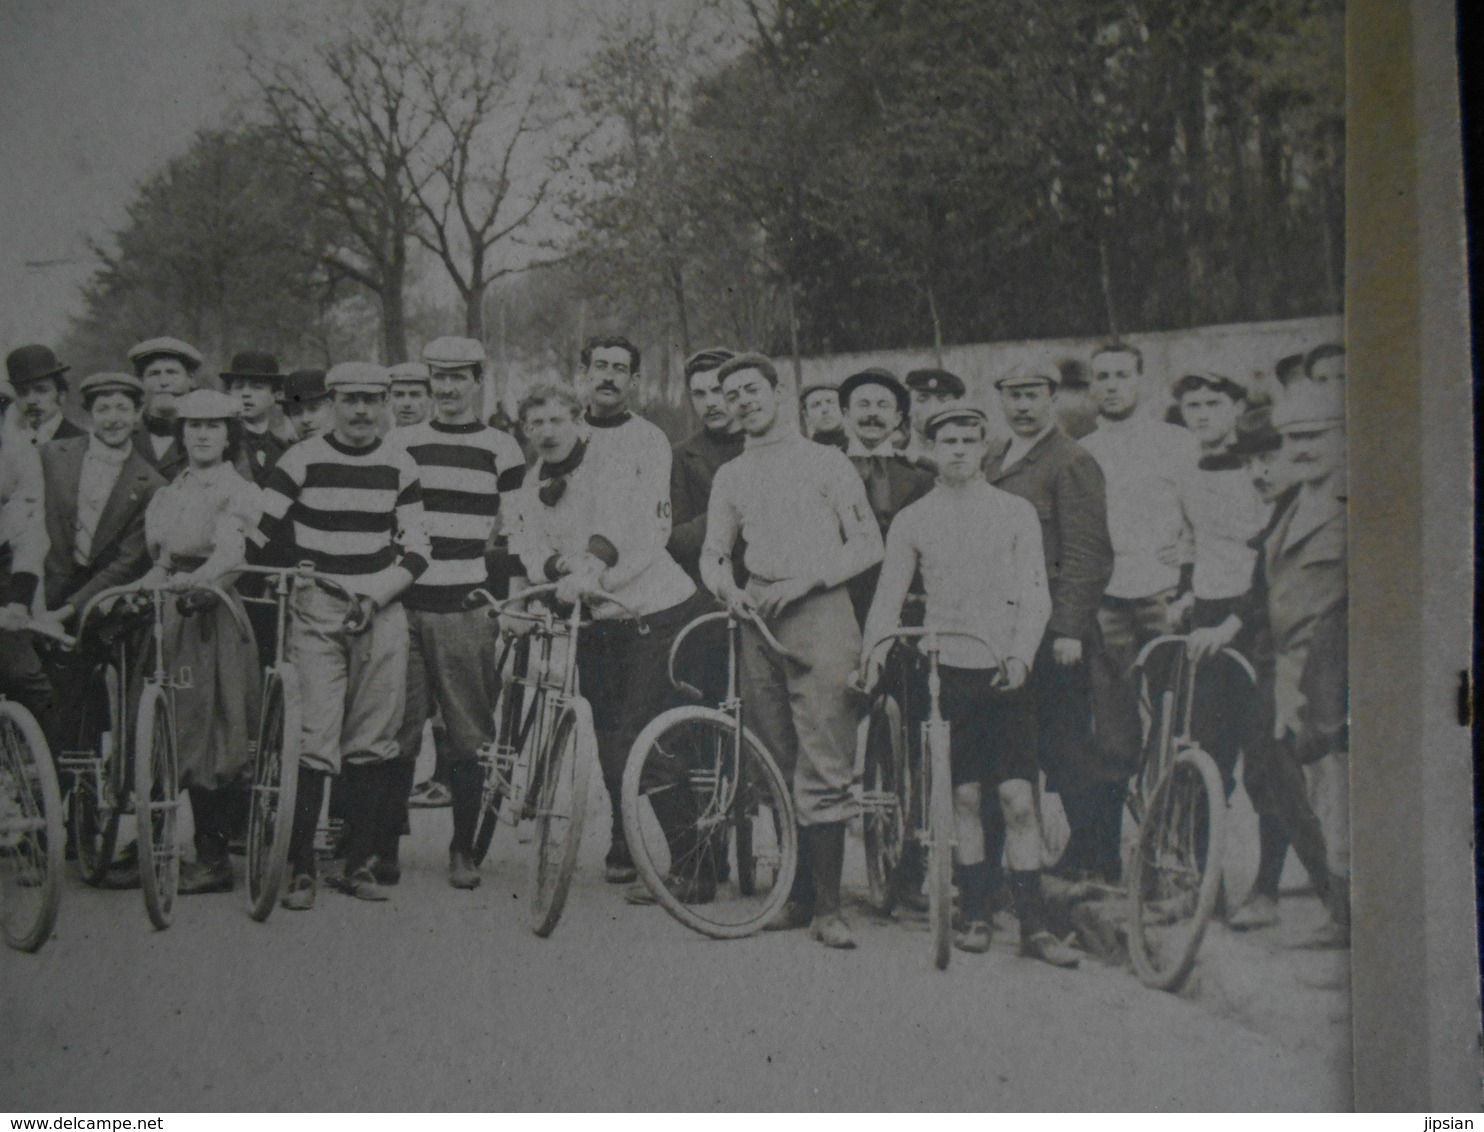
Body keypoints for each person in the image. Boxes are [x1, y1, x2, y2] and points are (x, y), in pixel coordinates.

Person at [861, 404, 1080, 966]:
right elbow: (889, 596)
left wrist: (1021, 655)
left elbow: (1037, 594)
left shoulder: (1015, 512)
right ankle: (975, 911)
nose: (958, 449)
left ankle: (1033, 926)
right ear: (931, 449)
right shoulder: (915, 518)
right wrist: (875, 649)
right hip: (946, 668)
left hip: (1004, 667)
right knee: (960, 795)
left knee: (1016, 798)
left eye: (968, 439)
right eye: (947, 440)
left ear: (985, 446)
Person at [702, 353, 883, 949]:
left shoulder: (827, 462)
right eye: (731, 394)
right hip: (757, 618)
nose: (743, 401)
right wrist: (727, 589)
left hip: (821, 613)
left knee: (825, 757)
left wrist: (805, 581)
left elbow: (867, 545)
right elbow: (714, 553)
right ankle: (796, 894)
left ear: (779, 393)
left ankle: (829, 908)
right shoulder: (731, 474)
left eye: (753, 389)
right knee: (774, 757)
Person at [504, 382, 709, 895]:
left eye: (556, 420)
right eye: (535, 424)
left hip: (652, 611)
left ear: (577, 420)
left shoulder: (612, 464)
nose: (546, 433)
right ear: (525, 432)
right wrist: (557, 569)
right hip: (595, 621)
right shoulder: (528, 485)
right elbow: (529, 549)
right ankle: (632, 848)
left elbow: (616, 526)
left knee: (641, 736)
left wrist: (590, 567)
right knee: (608, 738)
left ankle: (696, 866)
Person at [257, 362, 430, 910]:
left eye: (372, 400)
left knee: (374, 737)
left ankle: (357, 864)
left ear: (384, 403)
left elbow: (420, 548)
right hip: (317, 610)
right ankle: (302, 868)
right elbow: (258, 535)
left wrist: (377, 595)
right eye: (350, 399)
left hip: (379, 609)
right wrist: (296, 570)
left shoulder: (400, 463)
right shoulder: (300, 459)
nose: (361, 410)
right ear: (331, 402)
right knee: (313, 734)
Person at [1205, 382, 1350, 947]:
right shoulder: (1294, 503)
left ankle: (1347, 916)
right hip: (1286, 664)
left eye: (1315, 436)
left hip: (1332, 670)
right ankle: (1340, 910)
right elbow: (1269, 589)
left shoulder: (1355, 500)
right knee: (1285, 782)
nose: (1301, 449)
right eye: (1293, 439)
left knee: (1330, 792)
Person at [388, 336, 524, 889]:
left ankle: (463, 847)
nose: (446, 388)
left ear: (476, 381)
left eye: (457, 377)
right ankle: (382, 847)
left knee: (470, 734)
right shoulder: (400, 442)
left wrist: (511, 596)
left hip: (467, 604)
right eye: (437, 377)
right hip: (404, 603)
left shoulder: (503, 447)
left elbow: (516, 527)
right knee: (396, 729)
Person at [982, 360, 1113, 886]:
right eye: (1012, 394)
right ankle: (1011, 866)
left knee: (1066, 748)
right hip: (999, 629)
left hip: (1053, 633)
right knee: (1007, 750)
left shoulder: (1071, 460)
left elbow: (1088, 553)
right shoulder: (990, 457)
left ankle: (1096, 860)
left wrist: (1069, 630)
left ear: (1052, 398)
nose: (1022, 405)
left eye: (1032, 393)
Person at [1078, 341, 1199, 882]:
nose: (1110, 385)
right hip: (1108, 601)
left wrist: (1191, 551)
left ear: (1141, 381)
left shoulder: (1179, 444)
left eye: (1121, 375)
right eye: (1100, 377)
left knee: (1179, 727)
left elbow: (1206, 515)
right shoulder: (1083, 451)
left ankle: (1179, 855)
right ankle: (1110, 859)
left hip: (1166, 596)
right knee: (1114, 735)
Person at [137, 390, 263, 895]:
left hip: (212, 615)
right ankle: (160, 838)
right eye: (193, 426)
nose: (203, 435)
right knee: (166, 721)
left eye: (213, 426)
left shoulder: (238, 490)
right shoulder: (174, 488)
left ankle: (213, 856)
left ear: (229, 435)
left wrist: (201, 587)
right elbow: (164, 557)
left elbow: (232, 555)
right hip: (172, 613)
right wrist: (151, 584)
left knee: (211, 730)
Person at [1169, 372, 1271, 800]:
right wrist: (1185, 593)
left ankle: (1274, 868)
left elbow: (1265, 555)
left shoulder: (1259, 470)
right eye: (1194, 406)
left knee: (1264, 753)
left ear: (1237, 409)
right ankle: (1206, 862)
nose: (1203, 414)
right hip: (1207, 611)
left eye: (1214, 404)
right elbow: (1190, 541)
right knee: (1207, 744)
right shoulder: (1186, 472)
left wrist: (1235, 621)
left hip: (1255, 614)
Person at [838, 367, 932, 624]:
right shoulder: (826, 470)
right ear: (846, 414)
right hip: (840, 606)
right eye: (863, 405)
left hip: (905, 607)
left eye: (882, 406)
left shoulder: (922, 476)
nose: (872, 414)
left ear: (897, 417)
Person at [0, 376, 54, 736]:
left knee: (24, 676)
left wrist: (19, 602)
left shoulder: (18, 453)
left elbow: (30, 532)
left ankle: (51, 776)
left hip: (4, 576)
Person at [668, 347, 742, 585]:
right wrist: (731, 511)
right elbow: (675, 540)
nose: (710, 403)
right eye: (699, 394)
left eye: (717, 391)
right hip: (711, 588)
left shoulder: (766, 447)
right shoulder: (681, 456)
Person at [126, 337, 204, 480]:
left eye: (172, 373)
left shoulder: (208, 434)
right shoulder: (124, 434)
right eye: (154, 374)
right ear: (140, 382)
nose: (163, 383)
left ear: (191, 379)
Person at [220, 351, 290, 485]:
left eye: (257, 387)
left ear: (275, 395)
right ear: (229, 393)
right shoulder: (221, 445)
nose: (246, 394)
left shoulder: (284, 450)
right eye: (239, 387)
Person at [5, 345, 83, 447]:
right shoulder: (10, 444)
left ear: (61, 395)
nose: (30, 400)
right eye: (22, 392)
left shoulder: (81, 440)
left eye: (41, 390)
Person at [900, 368, 966, 469]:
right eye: (922, 399)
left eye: (943, 400)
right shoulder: (893, 456)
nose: (933, 409)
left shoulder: (970, 456)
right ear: (908, 407)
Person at [279, 369, 335, 443]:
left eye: (314, 409)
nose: (305, 419)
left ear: (331, 407)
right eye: (296, 412)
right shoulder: (289, 454)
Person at [799, 383, 847, 450]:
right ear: (806, 414)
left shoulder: (860, 448)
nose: (824, 409)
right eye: (816, 405)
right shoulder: (805, 453)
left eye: (830, 401)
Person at [388, 362, 432, 430]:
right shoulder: (386, 438)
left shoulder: (440, 439)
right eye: (398, 395)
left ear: (430, 398)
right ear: (388, 398)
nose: (406, 403)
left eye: (415, 395)